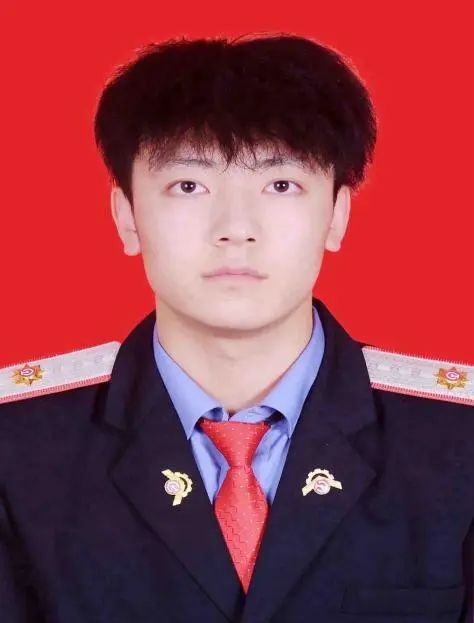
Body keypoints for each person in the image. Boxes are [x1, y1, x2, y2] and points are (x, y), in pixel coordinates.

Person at [0, 32, 472, 623]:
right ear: (126, 216)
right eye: (189, 186)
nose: (235, 228)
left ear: (337, 214)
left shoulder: (456, 442)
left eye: (281, 185)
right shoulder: (17, 447)